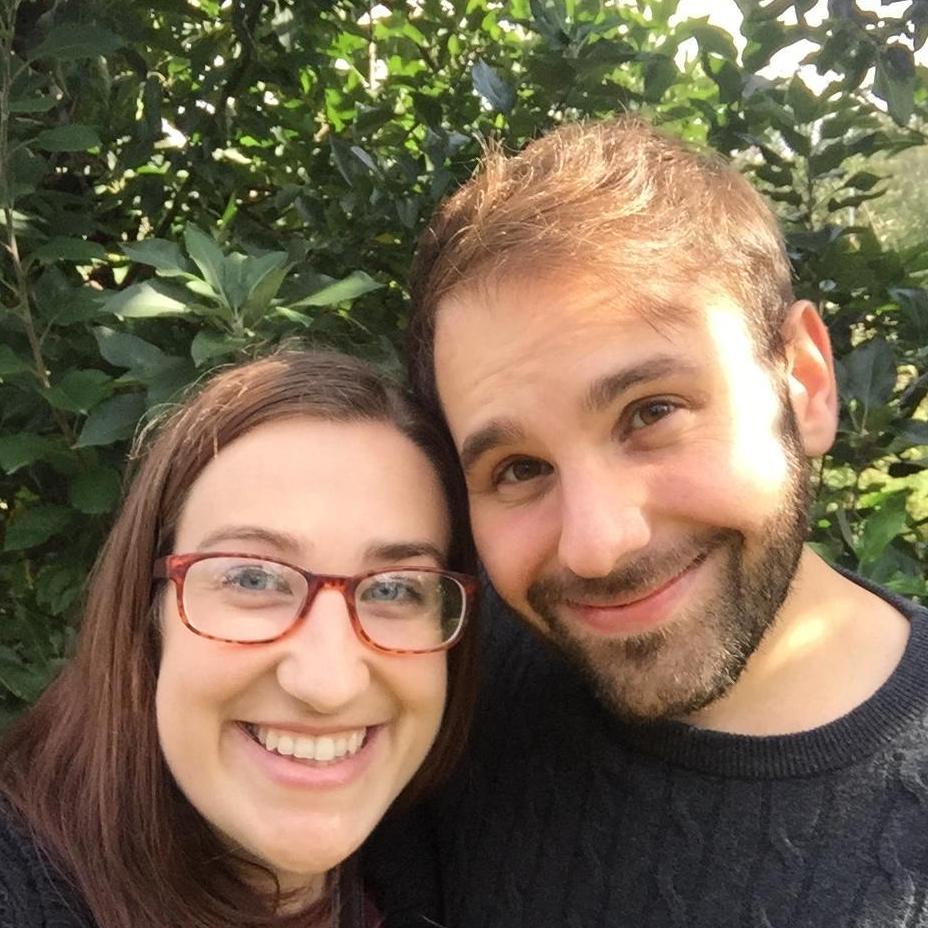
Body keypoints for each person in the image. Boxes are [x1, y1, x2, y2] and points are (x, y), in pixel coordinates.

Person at [366, 116, 928, 926]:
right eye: (519, 469)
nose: (598, 546)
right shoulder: (441, 697)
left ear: (805, 384)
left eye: (652, 412)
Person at [0, 349, 478, 928]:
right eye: (253, 579)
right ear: (146, 615)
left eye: (396, 588)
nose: (327, 684)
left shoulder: (454, 859)